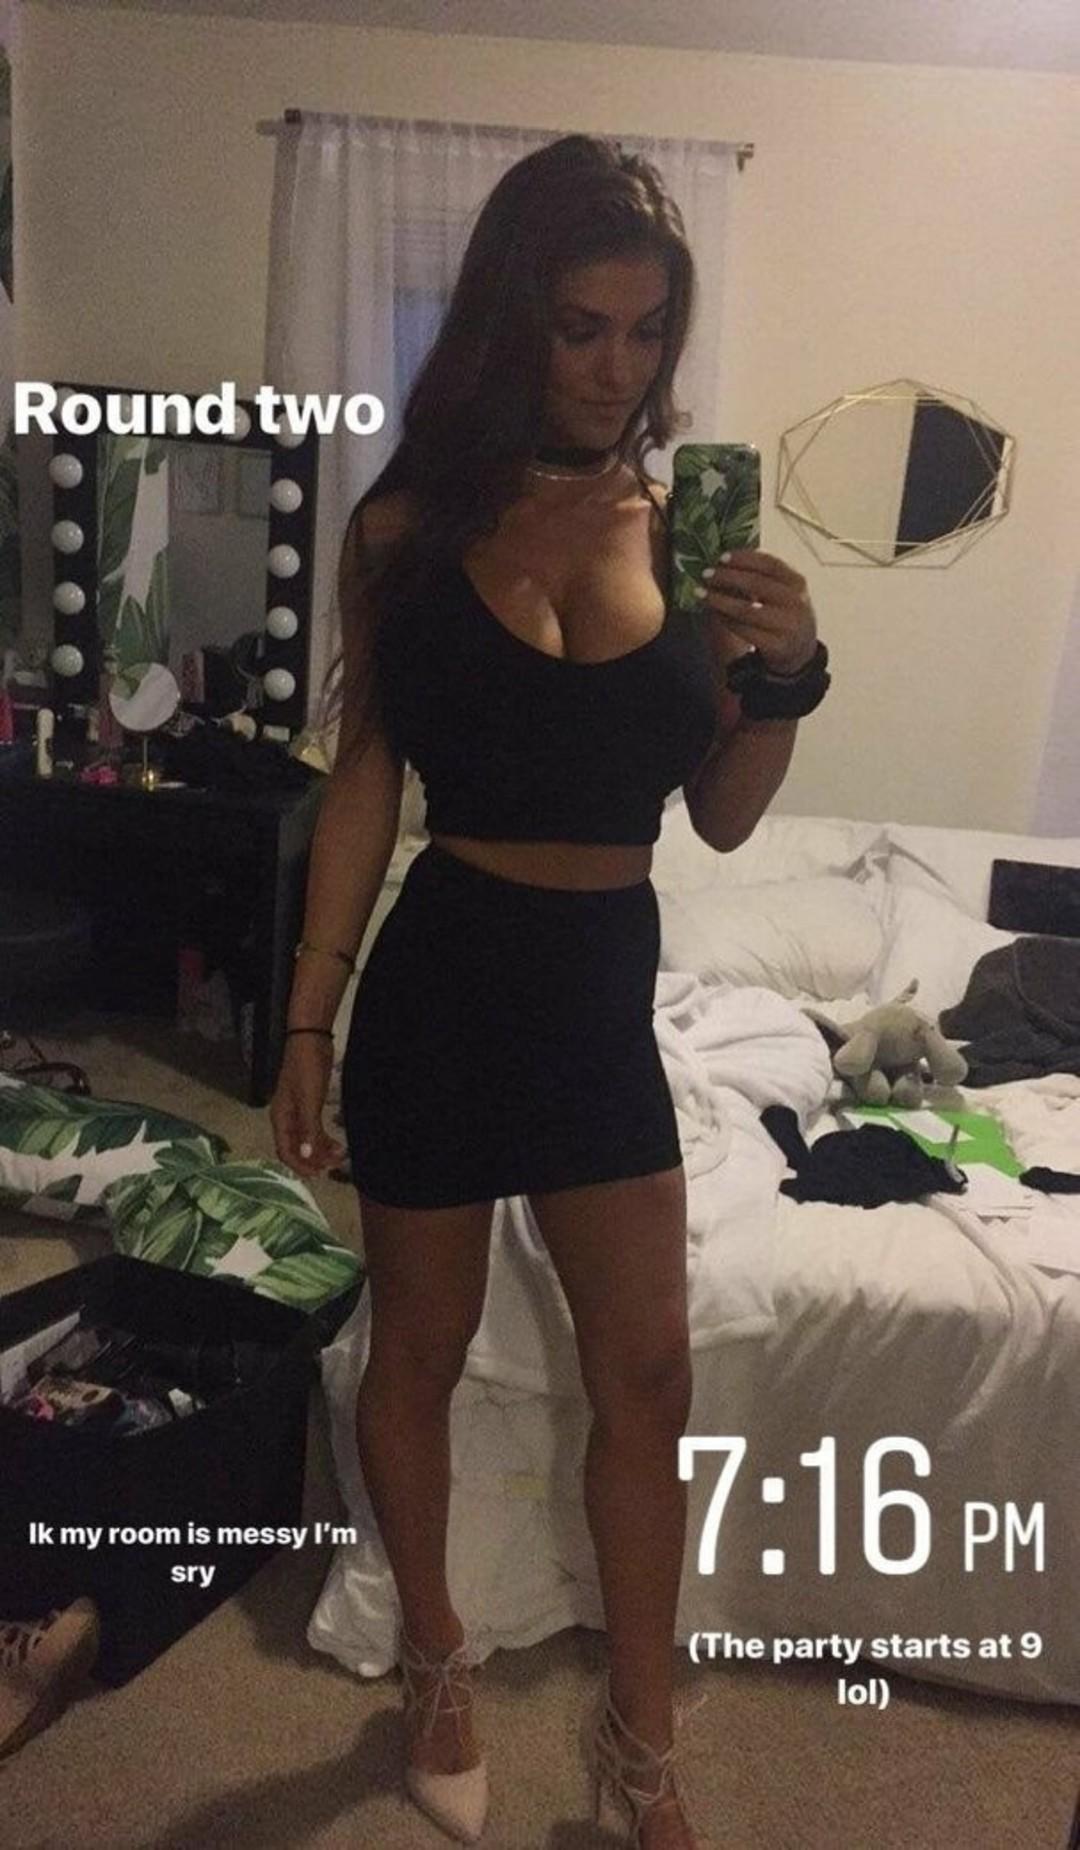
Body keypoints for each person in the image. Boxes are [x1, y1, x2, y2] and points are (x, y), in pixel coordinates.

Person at [270, 133, 827, 1850]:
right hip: (440, 986)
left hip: (597, 1004)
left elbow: (719, 813)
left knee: (648, 1372)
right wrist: (306, 1018)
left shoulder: (687, 535)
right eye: (582, 328)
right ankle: (436, 1657)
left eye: (646, 333)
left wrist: (788, 675)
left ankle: (640, 1738)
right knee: (418, 1350)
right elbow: (367, 778)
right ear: (514, 321)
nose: (615, 369)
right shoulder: (404, 524)